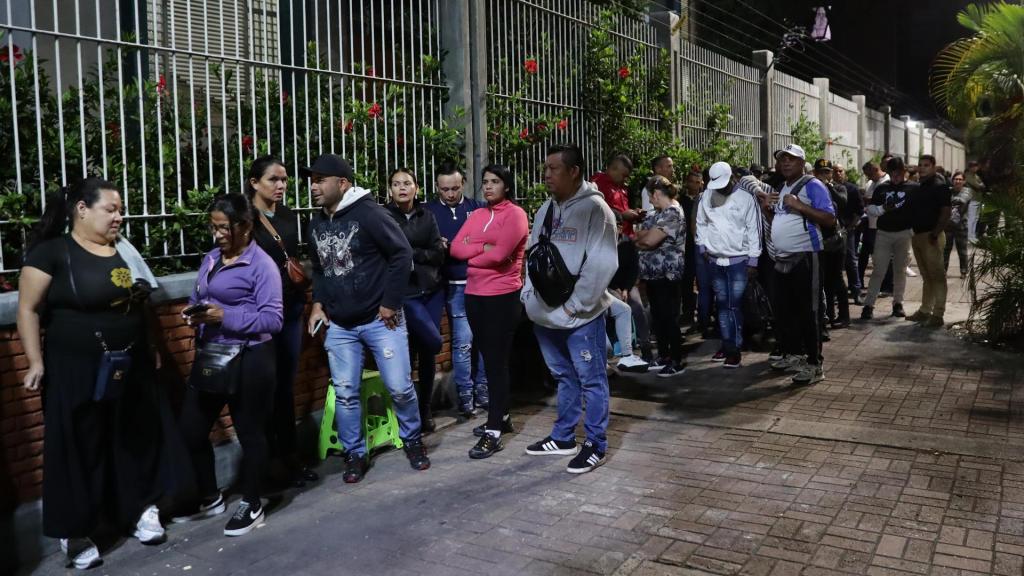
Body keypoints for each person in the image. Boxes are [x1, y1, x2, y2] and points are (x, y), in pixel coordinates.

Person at [18, 178, 173, 568]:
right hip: (75, 369)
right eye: (111, 209)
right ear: (81, 210)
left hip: (127, 366)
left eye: (120, 209)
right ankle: (76, 531)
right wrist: (35, 361)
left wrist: (152, 346)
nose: (119, 216)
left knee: (130, 437)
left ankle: (138, 510)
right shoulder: (52, 253)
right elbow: (28, 309)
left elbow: (143, 301)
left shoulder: (124, 250)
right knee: (79, 445)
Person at [304, 154, 429, 484]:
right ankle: (355, 453)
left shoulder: (370, 213)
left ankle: (413, 440)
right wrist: (317, 304)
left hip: (380, 320)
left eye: (320, 180)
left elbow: (401, 254)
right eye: (312, 180)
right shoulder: (316, 222)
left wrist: (390, 303)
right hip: (341, 325)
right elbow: (319, 268)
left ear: (342, 183)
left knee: (400, 387)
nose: (313, 186)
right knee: (345, 392)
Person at [175, 193, 283, 537]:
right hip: (213, 356)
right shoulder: (210, 259)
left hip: (251, 358)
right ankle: (210, 495)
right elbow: (198, 297)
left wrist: (225, 316)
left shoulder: (261, 265)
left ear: (245, 227)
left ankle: (252, 502)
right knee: (191, 429)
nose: (217, 234)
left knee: (250, 433)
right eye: (214, 227)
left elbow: (273, 319)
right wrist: (193, 313)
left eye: (224, 228)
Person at [523, 144, 618, 474]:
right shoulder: (546, 208)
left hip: (581, 316)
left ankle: (595, 443)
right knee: (563, 376)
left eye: (553, 168)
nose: (546, 175)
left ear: (574, 171)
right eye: (545, 168)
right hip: (545, 314)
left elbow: (601, 264)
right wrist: (527, 294)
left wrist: (575, 307)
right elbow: (532, 253)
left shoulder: (596, 210)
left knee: (591, 380)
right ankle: (563, 437)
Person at [246, 156, 318, 488]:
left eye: (285, 180)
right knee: (262, 390)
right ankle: (266, 464)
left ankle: (290, 460)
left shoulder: (289, 217)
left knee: (284, 389)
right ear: (254, 183)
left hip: (289, 311)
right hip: (258, 317)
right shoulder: (245, 219)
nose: (281, 186)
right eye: (274, 179)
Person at [450, 165, 529, 458]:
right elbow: (456, 249)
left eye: (495, 182)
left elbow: (499, 256)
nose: (488, 187)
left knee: (495, 363)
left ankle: (494, 429)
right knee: (488, 358)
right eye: (484, 182)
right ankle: (503, 416)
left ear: (506, 185)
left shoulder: (516, 215)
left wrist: (475, 253)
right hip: (473, 295)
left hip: (502, 297)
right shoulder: (478, 214)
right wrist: (483, 248)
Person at [764, 144, 836, 386]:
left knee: (809, 312)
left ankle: (815, 365)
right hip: (782, 259)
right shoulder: (782, 187)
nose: (785, 163)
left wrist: (800, 205)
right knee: (784, 311)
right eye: (782, 159)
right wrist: (767, 211)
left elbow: (829, 219)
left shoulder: (813, 185)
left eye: (791, 159)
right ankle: (794, 355)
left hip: (806, 257)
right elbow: (781, 220)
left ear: (802, 162)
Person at [424, 162, 489, 417]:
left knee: (483, 340)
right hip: (452, 286)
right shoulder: (429, 212)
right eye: (444, 189)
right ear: (437, 188)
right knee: (463, 343)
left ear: (463, 184)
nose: (450, 194)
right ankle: (465, 395)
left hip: (480, 282)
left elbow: (487, 243)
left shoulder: (477, 209)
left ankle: (482, 390)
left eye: (454, 188)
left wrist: (460, 247)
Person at [386, 168, 446, 432]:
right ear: (389, 190)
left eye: (407, 183)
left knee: (429, 350)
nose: (402, 188)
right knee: (405, 354)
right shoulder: (384, 217)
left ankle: (426, 410)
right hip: (402, 295)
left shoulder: (427, 216)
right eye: (396, 184)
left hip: (429, 292)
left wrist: (412, 255)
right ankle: (407, 414)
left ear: (416, 188)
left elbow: (438, 253)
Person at [695, 162, 762, 368]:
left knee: (732, 305)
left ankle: (733, 349)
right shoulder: (707, 195)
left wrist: (753, 259)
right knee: (723, 306)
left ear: (731, 177)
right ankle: (729, 345)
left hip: (739, 261)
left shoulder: (746, 198)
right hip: (715, 260)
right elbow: (702, 222)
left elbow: (754, 229)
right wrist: (703, 246)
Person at [636, 176, 688, 376]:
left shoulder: (673, 212)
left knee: (670, 318)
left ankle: (676, 360)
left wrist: (644, 238)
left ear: (657, 194)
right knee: (658, 317)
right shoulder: (657, 213)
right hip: (652, 273)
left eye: (650, 196)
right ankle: (664, 355)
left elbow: (648, 241)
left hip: (668, 273)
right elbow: (640, 235)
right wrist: (643, 237)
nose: (649, 201)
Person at [860, 157, 918, 320]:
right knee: (879, 270)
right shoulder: (882, 187)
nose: (896, 177)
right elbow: (870, 209)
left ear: (904, 172)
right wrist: (883, 208)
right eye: (893, 174)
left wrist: (914, 229)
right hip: (884, 233)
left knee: (900, 270)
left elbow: (919, 210)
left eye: (899, 174)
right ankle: (869, 305)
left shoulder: (913, 188)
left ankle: (898, 303)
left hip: (904, 233)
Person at [908, 155, 951, 328]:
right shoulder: (920, 186)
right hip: (917, 235)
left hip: (931, 236)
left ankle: (938, 314)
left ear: (933, 167)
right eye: (920, 165)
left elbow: (946, 212)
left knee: (937, 276)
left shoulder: (940, 186)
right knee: (927, 277)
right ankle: (925, 311)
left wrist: (935, 234)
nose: (922, 168)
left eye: (926, 165)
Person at [812, 159, 850, 329]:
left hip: (835, 240)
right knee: (823, 280)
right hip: (819, 239)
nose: (824, 176)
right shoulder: (811, 188)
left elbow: (842, 202)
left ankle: (844, 316)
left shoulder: (838, 188)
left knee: (836, 279)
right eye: (820, 173)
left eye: (827, 172)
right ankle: (828, 314)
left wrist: (827, 186)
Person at [858, 160, 892, 295]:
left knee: (882, 257)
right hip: (869, 224)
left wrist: (870, 201)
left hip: (881, 225)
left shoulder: (887, 182)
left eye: (869, 174)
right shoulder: (870, 183)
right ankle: (859, 283)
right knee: (864, 255)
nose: (868, 177)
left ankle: (887, 286)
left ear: (875, 170)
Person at [832, 164, 864, 305]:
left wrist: (851, 226)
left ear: (844, 172)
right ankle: (834, 293)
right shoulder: (828, 188)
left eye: (840, 170)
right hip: (831, 230)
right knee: (833, 262)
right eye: (835, 171)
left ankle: (856, 291)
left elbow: (859, 210)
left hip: (847, 230)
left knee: (851, 261)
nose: (838, 173)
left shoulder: (852, 189)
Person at [592, 154, 640, 237]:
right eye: (624, 175)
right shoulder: (598, 183)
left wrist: (634, 212)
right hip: (609, 237)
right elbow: (595, 210)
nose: (625, 179)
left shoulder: (622, 186)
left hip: (626, 236)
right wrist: (622, 215)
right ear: (613, 169)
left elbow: (622, 208)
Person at [944, 171, 971, 277]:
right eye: (956, 179)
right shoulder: (948, 191)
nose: (958, 181)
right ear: (952, 180)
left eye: (960, 179)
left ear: (964, 181)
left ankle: (964, 271)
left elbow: (961, 200)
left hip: (961, 226)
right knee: (945, 250)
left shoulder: (967, 191)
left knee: (962, 250)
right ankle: (943, 270)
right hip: (948, 225)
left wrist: (947, 201)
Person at [965, 160, 985, 241]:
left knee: (976, 219)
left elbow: (983, 185)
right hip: (972, 199)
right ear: (969, 168)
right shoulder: (968, 175)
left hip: (978, 199)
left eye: (975, 166)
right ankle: (969, 236)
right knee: (971, 219)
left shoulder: (976, 176)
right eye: (972, 166)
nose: (974, 168)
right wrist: (980, 185)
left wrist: (981, 185)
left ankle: (973, 235)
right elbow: (977, 186)